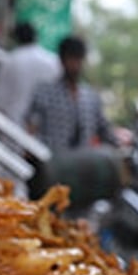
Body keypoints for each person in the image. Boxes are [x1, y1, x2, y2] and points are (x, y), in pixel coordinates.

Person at [26, 36, 120, 204]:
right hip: (52, 172)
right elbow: (31, 127)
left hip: (84, 175)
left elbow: (104, 130)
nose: (76, 65)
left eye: (79, 59)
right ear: (62, 60)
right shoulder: (45, 92)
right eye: (72, 59)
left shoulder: (90, 97)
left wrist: (119, 148)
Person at [0, 21, 60, 125]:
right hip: (43, 129)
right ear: (36, 37)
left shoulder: (10, 61)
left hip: (11, 126)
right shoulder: (53, 62)